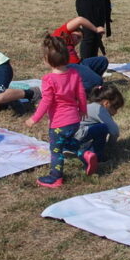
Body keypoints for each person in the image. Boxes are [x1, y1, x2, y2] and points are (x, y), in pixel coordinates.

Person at [26, 35, 97, 186]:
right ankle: (85, 154)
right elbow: (81, 94)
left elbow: (46, 101)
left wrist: (35, 118)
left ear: (46, 60)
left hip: (59, 123)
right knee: (68, 142)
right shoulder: (74, 74)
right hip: (74, 120)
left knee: (56, 150)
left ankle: (56, 176)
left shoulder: (48, 79)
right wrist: (83, 110)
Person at [49, 16, 109, 92]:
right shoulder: (60, 35)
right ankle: (79, 90)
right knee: (98, 81)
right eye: (76, 36)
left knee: (102, 60)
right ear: (70, 32)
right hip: (69, 67)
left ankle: (89, 84)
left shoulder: (71, 44)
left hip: (80, 63)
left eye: (80, 39)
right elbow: (80, 20)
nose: (77, 40)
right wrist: (96, 29)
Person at [73, 83, 124, 166]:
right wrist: (111, 146)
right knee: (103, 128)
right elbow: (114, 131)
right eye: (115, 108)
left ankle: (75, 149)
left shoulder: (90, 106)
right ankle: (97, 157)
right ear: (106, 103)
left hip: (67, 134)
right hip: (78, 135)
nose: (116, 112)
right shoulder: (100, 110)